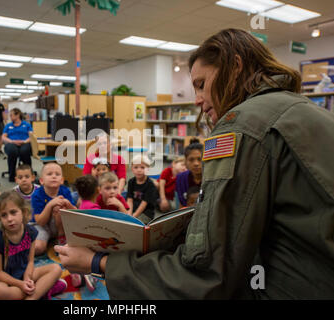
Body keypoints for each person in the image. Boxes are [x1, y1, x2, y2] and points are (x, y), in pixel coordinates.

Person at [55, 28, 334, 299]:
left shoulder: (242, 125)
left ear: (234, 67)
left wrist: (99, 264)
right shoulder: (308, 111)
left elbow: (207, 275)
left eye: (201, 84)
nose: (198, 100)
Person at [0, 191, 67, 300]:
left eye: (13, 212)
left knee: (56, 268)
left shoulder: (30, 232)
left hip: (22, 272)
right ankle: (42, 290)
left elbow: (30, 261)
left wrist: (27, 278)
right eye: (4, 215)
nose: (9, 219)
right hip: (2, 280)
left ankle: (32, 297)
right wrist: (20, 284)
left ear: (24, 212)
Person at [31, 162, 76, 254]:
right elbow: (40, 222)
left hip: (61, 227)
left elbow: (77, 214)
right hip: (42, 226)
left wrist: (68, 204)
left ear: (62, 180)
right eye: (49, 174)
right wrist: (50, 205)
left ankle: (61, 237)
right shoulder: (36, 194)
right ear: (41, 181)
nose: (54, 176)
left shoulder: (65, 191)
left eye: (57, 174)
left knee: (59, 208)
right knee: (38, 248)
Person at [2, 108, 33, 183]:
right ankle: (12, 175)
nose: (10, 117)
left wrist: (24, 141)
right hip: (12, 143)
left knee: (24, 151)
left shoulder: (26, 125)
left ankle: (28, 174)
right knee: (12, 151)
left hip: (24, 143)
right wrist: (12, 141)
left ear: (17, 115)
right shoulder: (8, 126)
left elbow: (32, 136)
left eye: (11, 115)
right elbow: (3, 137)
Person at [126, 155, 159, 224]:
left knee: (137, 224)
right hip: (134, 208)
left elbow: (144, 204)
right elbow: (129, 199)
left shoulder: (150, 185)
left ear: (148, 169)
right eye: (136, 167)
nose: (139, 170)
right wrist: (129, 214)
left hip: (146, 212)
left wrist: (134, 216)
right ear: (132, 169)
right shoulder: (131, 182)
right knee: (122, 218)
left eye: (142, 167)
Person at [175, 140, 203, 208]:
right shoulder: (180, 178)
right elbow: (182, 204)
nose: (196, 163)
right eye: (191, 160)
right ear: (185, 161)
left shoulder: (212, 179)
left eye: (200, 159)